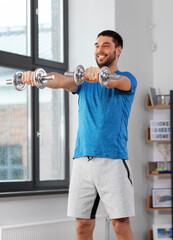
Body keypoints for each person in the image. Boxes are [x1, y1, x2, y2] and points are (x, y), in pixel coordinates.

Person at [22, 30, 137, 240]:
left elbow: (115, 82)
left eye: (105, 45)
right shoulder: (81, 82)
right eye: (96, 45)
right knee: (82, 225)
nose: (99, 50)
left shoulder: (127, 79)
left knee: (120, 224)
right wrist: (36, 77)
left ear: (118, 50)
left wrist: (99, 76)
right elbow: (58, 80)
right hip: (82, 160)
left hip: (113, 160)